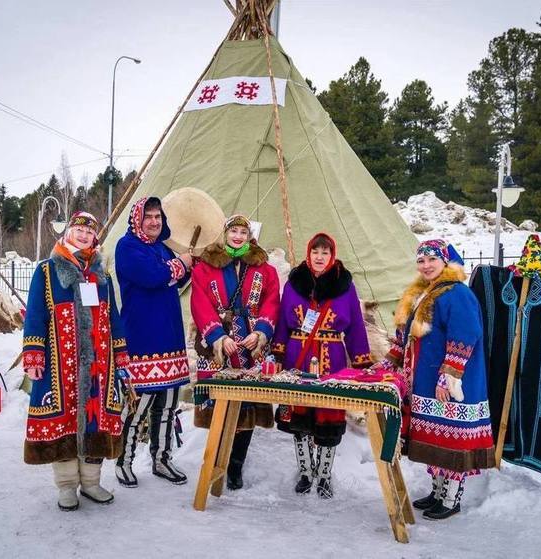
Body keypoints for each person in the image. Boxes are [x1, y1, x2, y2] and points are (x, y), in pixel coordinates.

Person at [22, 211, 130, 511]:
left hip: (98, 363)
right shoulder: (46, 270)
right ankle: (67, 485)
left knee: (95, 418)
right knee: (65, 419)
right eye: (78, 230)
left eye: (89, 232)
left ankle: (92, 482)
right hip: (60, 362)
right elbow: (35, 315)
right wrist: (33, 354)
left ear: (95, 238)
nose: (83, 235)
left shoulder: (101, 275)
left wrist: (120, 354)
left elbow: (113, 317)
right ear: (68, 232)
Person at [381, 239, 494, 519]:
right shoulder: (422, 293)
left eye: (432, 260)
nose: (426, 265)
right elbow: (406, 335)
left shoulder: (457, 294)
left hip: (450, 383)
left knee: (452, 440)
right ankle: (437, 492)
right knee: (435, 437)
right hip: (425, 380)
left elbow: (465, 335)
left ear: (446, 262)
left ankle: (451, 498)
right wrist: (391, 361)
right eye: (421, 261)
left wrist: (449, 376)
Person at [272, 233, 373, 498]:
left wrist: (362, 361)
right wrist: (278, 354)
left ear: (332, 255)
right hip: (298, 356)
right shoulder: (294, 283)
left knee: (329, 415)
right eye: (315, 252)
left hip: (333, 359)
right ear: (308, 253)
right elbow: (283, 321)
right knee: (299, 414)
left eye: (324, 253)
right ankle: (306, 472)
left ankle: (324, 475)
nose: (319, 257)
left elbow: (355, 328)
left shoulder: (345, 285)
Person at [190, 214, 280, 490]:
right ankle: (218, 460)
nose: (238, 236)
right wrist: (218, 337)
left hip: (251, 345)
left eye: (243, 231)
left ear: (250, 235)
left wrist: (261, 333)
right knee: (221, 406)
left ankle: (236, 466)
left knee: (247, 406)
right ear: (225, 233)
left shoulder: (265, 269)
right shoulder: (206, 267)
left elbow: (272, 301)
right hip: (219, 345)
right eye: (234, 231)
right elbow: (199, 302)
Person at [114, 197, 193, 488]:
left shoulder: (161, 247)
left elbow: (173, 282)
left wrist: (186, 270)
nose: (154, 221)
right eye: (148, 216)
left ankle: (161, 458)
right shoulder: (127, 246)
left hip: (170, 337)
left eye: (158, 216)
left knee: (169, 404)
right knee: (140, 403)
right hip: (143, 339)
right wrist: (180, 265)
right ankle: (124, 460)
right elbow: (151, 276)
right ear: (138, 219)